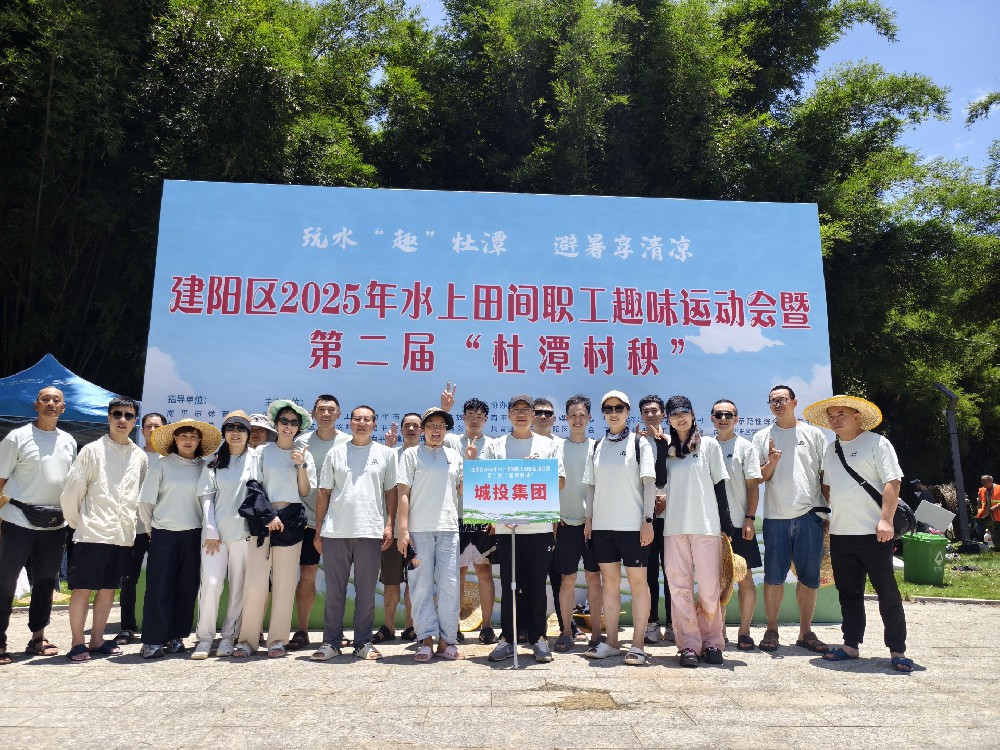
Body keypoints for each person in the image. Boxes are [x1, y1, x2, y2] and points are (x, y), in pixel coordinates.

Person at [803, 395, 913, 673]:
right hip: (841, 533)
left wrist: (886, 520)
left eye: (841, 413)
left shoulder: (877, 443)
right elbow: (829, 487)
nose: (835, 419)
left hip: (874, 533)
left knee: (887, 593)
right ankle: (851, 644)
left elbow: (892, 482)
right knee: (848, 593)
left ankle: (897, 650)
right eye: (831, 415)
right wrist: (832, 517)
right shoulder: (832, 449)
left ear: (857, 416)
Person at [59, 397, 148, 662]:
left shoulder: (140, 456)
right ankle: (77, 643)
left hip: (123, 536)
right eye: (117, 414)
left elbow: (140, 496)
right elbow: (72, 493)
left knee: (109, 589)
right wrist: (79, 524)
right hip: (91, 532)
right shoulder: (92, 450)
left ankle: (97, 640)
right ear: (108, 417)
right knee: (82, 589)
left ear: (134, 421)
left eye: (128, 416)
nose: (122, 420)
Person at [482, 394, 565, 664]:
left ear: (532, 415)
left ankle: (539, 639)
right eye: (515, 409)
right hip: (507, 528)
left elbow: (560, 482)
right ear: (508, 414)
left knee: (537, 585)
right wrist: (497, 516)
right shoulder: (495, 446)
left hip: (539, 527)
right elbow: (483, 482)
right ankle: (508, 638)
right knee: (510, 585)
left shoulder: (547, 445)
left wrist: (537, 470)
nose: (521, 414)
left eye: (526, 410)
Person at [311, 404, 397, 661]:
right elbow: (324, 492)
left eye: (367, 419)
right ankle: (331, 642)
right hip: (336, 531)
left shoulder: (385, 454)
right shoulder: (336, 453)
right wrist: (319, 530)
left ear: (374, 424)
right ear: (349, 422)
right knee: (334, 591)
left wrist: (389, 524)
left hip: (370, 531)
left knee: (366, 592)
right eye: (357, 419)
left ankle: (363, 642)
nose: (362, 423)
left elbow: (390, 492)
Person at [0, 387, 76, 664]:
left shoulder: (68, 441)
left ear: (63, 408)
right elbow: (0, 479)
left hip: (55, 524)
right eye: (45, 399)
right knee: (5, 582)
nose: (51, 404)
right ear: (36, 405)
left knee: (45, 582)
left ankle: (37, 638)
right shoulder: (16, 437)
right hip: (18, 519)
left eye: (56, 400)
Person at [751, 385, 829, 654]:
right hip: (776, 517)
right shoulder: (762, 436)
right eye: (772, 400)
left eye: (782, 399)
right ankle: (771, 629)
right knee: (773, 577)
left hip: (810, 515)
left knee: (809, 577)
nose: (777, 404)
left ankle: (805, 631)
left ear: (794, 403)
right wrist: (771, 462)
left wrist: (827, 512)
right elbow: (758, 477)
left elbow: (824, 476)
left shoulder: (813, 434)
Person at [235, 400, 315, 658]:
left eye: (294, 423)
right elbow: (254, 485)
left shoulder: (304, 453)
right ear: (276, 424)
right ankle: (247, 640)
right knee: (255, 583)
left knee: (285, 583)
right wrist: (268, 515)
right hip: (263, 517)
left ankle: (278, 640)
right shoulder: (262, 451)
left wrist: (301, 465)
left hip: (292, 519)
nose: (288, 426)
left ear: (299, 427)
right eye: (284, 421)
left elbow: (304, 491)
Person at [661, 395, 736, 667]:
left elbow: (719, 486)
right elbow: (659, 482)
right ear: (668, 419)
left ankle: (712, 642)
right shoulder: (667, 450)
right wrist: (658, 445)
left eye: (684, 412)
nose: (680, 418)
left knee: (709, 587)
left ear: (693, 414)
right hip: (674, 527)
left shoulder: (709, 445)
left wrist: (726, 525)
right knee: (679, 587)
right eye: (674, 414)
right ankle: (688, 645)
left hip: (706, 525)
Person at [583, 391, 656, 664]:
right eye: (608, 408)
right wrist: (589, 519)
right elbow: (591, 487)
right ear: (603, 413)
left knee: (638, 585)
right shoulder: (597, 446)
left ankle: (637, 645)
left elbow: (649, 484)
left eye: (619, 408)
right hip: (603, 528)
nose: (613, 413)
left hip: (633, 528)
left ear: (627, 411)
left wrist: (647, 520)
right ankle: (612, 642)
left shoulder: (640, 443)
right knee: (609, 585)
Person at [138, 418, 220, 659]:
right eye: (183, 436)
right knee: (159, 587)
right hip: (164, 534)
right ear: (174, 439)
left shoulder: (205, 467)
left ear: (199, 441)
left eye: (193, 436)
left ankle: (176, 636)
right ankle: (153, 640)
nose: (188, 440)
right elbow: (146, 502)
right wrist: (151, 529)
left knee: (186, 587)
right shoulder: (162, 465)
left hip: (194, 535)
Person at [396, 407, 465, 661]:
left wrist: (472, 464)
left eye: (441, 426)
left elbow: (462, 490)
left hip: (448, 529)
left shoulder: (454, 455)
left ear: (446, 430)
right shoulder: (411, 455)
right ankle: (425, 639)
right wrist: (403, 530)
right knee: (420, 586)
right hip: (419, 530)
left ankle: (447, 641)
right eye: (432, 426)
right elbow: (403, 494)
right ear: (423, 429)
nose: (436, 430)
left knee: (450, 585)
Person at [289, 395, 350, 651]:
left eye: (331, 410)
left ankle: (335, 632)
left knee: (339, 579)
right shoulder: (301, 441)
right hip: (308, 520)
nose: (326, 414)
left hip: (340, 521)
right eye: (321, 410)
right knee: (307, 575)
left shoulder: (349, 442)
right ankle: (302, 630)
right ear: (313, 414)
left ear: (339, 413)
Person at [194, 411, 254, 658]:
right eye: (231, 428)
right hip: (214, 537)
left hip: (245, 534)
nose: (235, 433)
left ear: (249, 434)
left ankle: (229, 636)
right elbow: (207, 498)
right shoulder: (214, 462)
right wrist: (210, 527)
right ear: (224, 433)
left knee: (239, 587)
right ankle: (205, 638)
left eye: (241, 428)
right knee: (211, 584)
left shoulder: (256, 459)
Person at [442, 388, 497, 644]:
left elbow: (498, 483)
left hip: (484, 518)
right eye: (470, 415)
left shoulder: (493, 446)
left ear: (486, 419)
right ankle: (453, 627)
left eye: (479, 416)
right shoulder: (453, 442)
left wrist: (495, 517)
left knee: (484, 573)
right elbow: (434, 435)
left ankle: (487, 627)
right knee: (459, 574)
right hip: (457, 517)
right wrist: (445, 409)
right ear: (463, 418)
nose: (475, 420)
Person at [710, 399, 763, 650]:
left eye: (728, 415)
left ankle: (744, 632)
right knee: (716, 582)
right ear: (712, 418)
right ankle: (718, 632)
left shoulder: (745, 447)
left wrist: (749, 519)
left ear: (736, 419)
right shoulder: (705, 446)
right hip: (711, 527)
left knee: (746, 579)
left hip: (740, 525)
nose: (723, 419)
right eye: (718, 414)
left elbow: (753, 486)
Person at [552, 395, 603, 654]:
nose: (577, 419)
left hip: (593, 524)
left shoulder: (598, 447)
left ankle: (596, 633)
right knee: (568, 579)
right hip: (565, 524)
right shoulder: (556, 448)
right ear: (566, 418)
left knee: (594, 578)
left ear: (589, 418)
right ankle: (566, 631)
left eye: (582, 415)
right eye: (572, 415)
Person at [113, 412, 165, 645]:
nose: (152, 430)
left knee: (159, 579)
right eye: (148, 426)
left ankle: (157, 627)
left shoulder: (169, 459)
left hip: (160, 529)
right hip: (133, 528)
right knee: (128, 579)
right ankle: (127, 627)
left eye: (157, 426)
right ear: (141, 430)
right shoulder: (131, 455)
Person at [374, 412, 419, 644]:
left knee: (414, 581)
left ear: (422, 430)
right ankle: (388, 626)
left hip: (418, 529)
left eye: (416, 426)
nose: (411, 429)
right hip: (391, 528)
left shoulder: (427, 456)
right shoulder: (390, 455)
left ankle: (411, 627)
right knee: (391, 581)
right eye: (407, 425)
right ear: (401, 430)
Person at [636, 394, 672, 645]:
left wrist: (668, 496)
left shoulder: (673, 442)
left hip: (671, 517)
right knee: (648, 573)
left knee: (672, 572)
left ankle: (673, 624)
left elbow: (681, 475)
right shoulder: (636, 443)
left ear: (663, 415)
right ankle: (651, 624)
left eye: (655, 411)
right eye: (646, 411)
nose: (650, 415)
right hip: (645, 518)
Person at [976, 476, 1000, 548]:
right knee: (994, 535)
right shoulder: (981, 490)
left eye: (985, 482)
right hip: (989, 517)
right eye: (982, 482)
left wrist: (997, 506)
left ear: (991, 481)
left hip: (998, 514)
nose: (983, 484)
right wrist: (980, 511)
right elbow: (979, 503)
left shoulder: (999, 488)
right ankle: (998, 548)